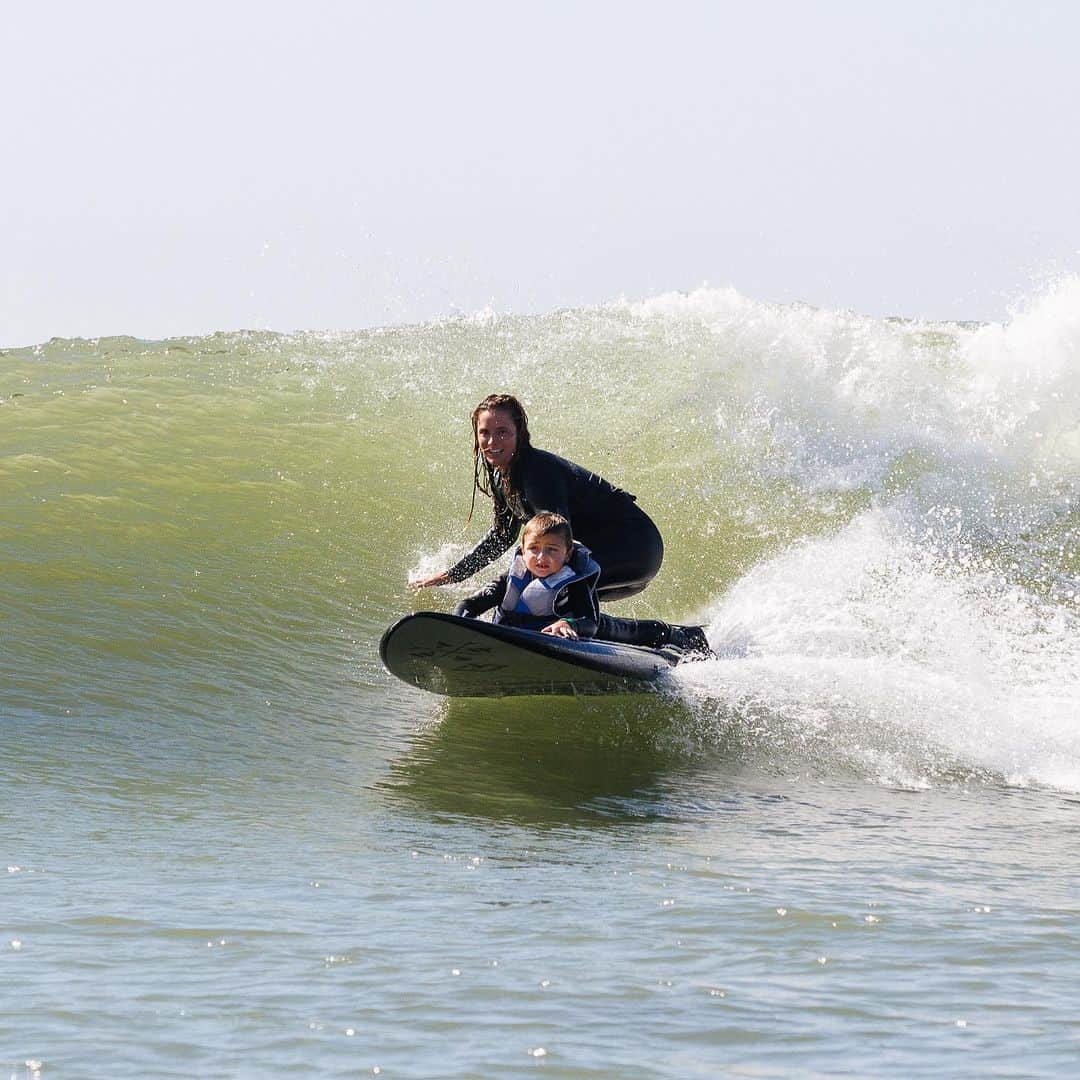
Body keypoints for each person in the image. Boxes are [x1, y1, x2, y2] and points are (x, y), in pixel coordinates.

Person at [410, 393, 664, 601]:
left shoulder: (537, 471)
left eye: (502, 432)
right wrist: (451, 575)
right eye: (484, 432)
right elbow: (501, 537)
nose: (491, 441)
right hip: (615, 556)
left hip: (631, 546)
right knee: (548, 594)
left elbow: (558, 534)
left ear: (519, 433)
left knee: (544, 589)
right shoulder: (503, 477)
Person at [455, 512, 713, 657]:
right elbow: (473, 602)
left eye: (552, 550)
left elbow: (589, 621)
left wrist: (568, 624)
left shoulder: (572, 582)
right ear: (522, 550)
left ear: (567, 554)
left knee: (631, 632)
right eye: (534, 549)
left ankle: (682, 635)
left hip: (587, 630)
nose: (541, 557)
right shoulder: (512, 578)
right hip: (523, 635)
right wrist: (461, 621)